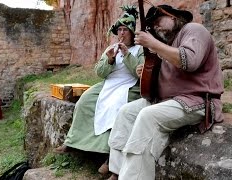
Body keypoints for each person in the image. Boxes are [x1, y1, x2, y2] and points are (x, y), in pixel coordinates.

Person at [107, 4, 224, 180]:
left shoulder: (193, 30)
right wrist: (145, 71)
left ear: (173, 17)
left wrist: (153, 44)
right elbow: (168, 74)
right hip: (168, 100)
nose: (156, 27)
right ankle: (117, 172)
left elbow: (189, 61)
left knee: (147, 116)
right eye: (152, 25)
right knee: (126, 112)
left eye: (158, 21)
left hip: (196, 100)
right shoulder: (166, 44)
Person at [54, 5, 144, 174]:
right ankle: (73, 142)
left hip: (129, 84)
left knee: (115, 107)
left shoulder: (139, 50)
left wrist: (127, 56)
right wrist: (109, 60)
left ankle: (108, 154)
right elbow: (100, 73)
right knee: (85, 101)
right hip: (109, 83)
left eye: (125, 30)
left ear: (132, 32)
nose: (122, 33)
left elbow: (139, 73)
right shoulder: (110, 49)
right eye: (119, 30)